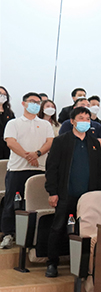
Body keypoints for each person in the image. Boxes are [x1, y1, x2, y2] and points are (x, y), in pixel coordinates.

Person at [43, 106, 101, 277]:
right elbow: (51, 168)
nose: (85, 121)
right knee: (58, 228)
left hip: (88, 196)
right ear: (72, 121)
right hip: (65, 193)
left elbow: (99, 170)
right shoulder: (61, 141)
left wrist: (97, 195)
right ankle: (52, 263)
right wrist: (52, 192)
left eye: (87, 119)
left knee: (86, 230)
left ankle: (82, 265)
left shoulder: (94, 143)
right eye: (81, 118)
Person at [1, 93, 53, 248]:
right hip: (18, 168)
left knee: (34, 204)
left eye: (38, 102)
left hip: (39, 169)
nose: (36, 104)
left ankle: (31, 237)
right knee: (11, 202)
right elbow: (10, 142)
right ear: (23, 104)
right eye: (32, 101)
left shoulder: (45, 124)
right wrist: (28, 156)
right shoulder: (14, 123)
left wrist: (37, 154)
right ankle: (8, 234)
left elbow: (50, 142)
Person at [0, 86, 13, 160]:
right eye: (0, 93)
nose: (2, 96)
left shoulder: (9, 113)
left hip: (6, 145)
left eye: (4, 94)